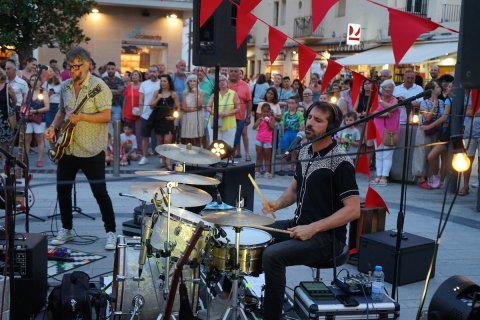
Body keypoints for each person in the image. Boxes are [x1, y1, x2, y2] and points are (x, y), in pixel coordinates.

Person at [261, 101, 360, 320]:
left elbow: (353, 210)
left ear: (331, 126)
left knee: (272, 256)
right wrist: (276, 204)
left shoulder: (341, 161)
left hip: (327, 238)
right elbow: (295, 190)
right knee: (256, 233)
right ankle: (253, 295)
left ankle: (272, 315)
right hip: (298, 224)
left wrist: (313, 228)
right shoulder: (305, 151)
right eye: (309, 117)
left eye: (318, 120)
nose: (309, 123)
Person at [45, 46, 117, 250]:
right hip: (67, 147)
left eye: (77, 67)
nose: (73, 71)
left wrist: (83, 117)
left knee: (100, 193)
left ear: (88, 65)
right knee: (63, 190)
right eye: (70, 67)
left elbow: (106, 116)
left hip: (92, 149)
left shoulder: (99, 86)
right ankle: (66, 229)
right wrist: (52, 127)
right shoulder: (66, 86)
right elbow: (61, 111)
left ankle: (111, 232)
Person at [412, 81, 445, 189]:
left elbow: (442, 117)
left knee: (432, 155)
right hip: (424, 131)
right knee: (422, 153)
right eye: (437, 87)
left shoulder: (441, 102)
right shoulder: (424, 102)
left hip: (435, 130)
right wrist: (434, 106)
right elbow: (427, 118)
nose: (440, 88)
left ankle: (431, 177)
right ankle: (421, 178)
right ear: (431, 90)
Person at [371, 79, 400, 187]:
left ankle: (384, 177)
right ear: (381, 89)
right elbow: (372, 112)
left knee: (387, 155)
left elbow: (393, 108)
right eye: (385, 87)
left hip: (390, 131)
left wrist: (380, 102)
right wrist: (383, 114)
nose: (387, 89)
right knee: (378, 155)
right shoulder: (376, 100)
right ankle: (378, 176)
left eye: (390, 87)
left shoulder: (395, 100)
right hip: (377, 131)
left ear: (393, 89)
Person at [150, 74, 180, 170]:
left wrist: (174, 117)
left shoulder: (173, 94)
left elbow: (178, 107)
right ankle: (163, 160)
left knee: (168, 141)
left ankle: (168, 161)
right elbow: (151, 105)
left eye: (165, 81)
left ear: (169, 82)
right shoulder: (156, 92)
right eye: (161, 81)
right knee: (160, 142)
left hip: (168, 120)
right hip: (158, 120)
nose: (162, 83)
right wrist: (159, 97)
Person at [206, 75, 240, 148]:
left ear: (227, 82)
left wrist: (227, 113)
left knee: (227, 146)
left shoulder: (233, 93)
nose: (222, 82)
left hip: (229, 124)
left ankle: (226, 159)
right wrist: (214, 113)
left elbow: (238, 108)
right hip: (214, 123)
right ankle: (215, 159)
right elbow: (208, 107)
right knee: (214, 145)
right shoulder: (214, 94)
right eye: (219, 81)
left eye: (223, 80)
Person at [138, 65, 161, 165]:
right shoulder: (144, 84)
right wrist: (141, 112)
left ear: (158, 73)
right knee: (145, 136)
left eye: (154, 71)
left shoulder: (162, 83)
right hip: (146, 114)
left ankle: (162, 157)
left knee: (160, 136)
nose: (152, 73)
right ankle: (144, 156)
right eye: (151, 72)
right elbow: (141, 99)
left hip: (159, 113)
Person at [25, 76, 50, 167]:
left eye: (36, 80)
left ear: (40, 81)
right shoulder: (28, 91)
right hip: (28, 119)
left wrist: (35, 111)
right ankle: (25, 159)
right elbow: (24, 104)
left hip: (39, 119)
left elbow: (47, 107)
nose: (33, 81)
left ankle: (39, 160)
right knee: (27, 138)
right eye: (31, 80)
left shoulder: (43, 92)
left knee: (39, 139)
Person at [229, 67, 252, 161]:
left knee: (243, 133)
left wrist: (248, 116)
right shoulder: (224, 84)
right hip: (227, 116)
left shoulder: (245, 85)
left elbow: (249, 101)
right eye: (231, 71)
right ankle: (231, 154)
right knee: (231, 135)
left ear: (239, 73)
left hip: (240, 116)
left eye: (235, 71)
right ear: (228, 72)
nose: (233, 73)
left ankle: (247, 153)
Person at [278, 97, 304, 176]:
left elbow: (302, 124)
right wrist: (282, 134)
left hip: (295, 134)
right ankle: (282, 168)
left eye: (292, 103)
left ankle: (292, 168)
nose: (290, 105)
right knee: (285, 152)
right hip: (287, 134)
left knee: (293, 152)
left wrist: (300, 130)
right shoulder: (286, 114)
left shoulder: (299, 114)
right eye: (289, 103)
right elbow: (282, 123)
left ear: (296, 104)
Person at [180, 74, 204, 147]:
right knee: (188, 138)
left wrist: (196, 94)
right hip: (187, 117)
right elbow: (184, 108)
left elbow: (199, 105)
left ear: (197, 83)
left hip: (198, 117)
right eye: (190, 81)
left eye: (194, 81)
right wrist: (195, 109)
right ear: (188, 83)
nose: (193, 83)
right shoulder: (185, 93)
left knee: (197, 137)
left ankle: (197, 155)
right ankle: (188, 155)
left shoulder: (201, 92)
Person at [122, 70, 142, 155]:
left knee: (138, 133)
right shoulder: (128, 87)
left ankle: (139, 150)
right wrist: (123, 113)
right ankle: (129, 151)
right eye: (133, 75)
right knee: (129, 133)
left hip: (139, 113)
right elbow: (125, 100)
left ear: (139, 76)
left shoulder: (143, 86)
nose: (134, 76)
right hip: (128, 112)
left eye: (136, 75)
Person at [253, 103, 275, 179]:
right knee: (259, 156)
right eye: (263, 112)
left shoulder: (271, 119)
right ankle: (257, 171)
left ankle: (267, 172)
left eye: (267, 112)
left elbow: (271, 128)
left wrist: (267, 122)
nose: (265, 113)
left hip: (267, 141)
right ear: (261, 112)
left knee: (267, 157)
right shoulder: (260, 119)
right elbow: (254, 127)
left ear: (270, 112)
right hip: (259, 139)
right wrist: (258, 121)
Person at [0, 69, 16, 151]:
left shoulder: (7, 87)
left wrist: (11, 110)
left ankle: (5, 160)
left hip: (5, 118)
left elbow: (14, 100)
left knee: (5, 143)